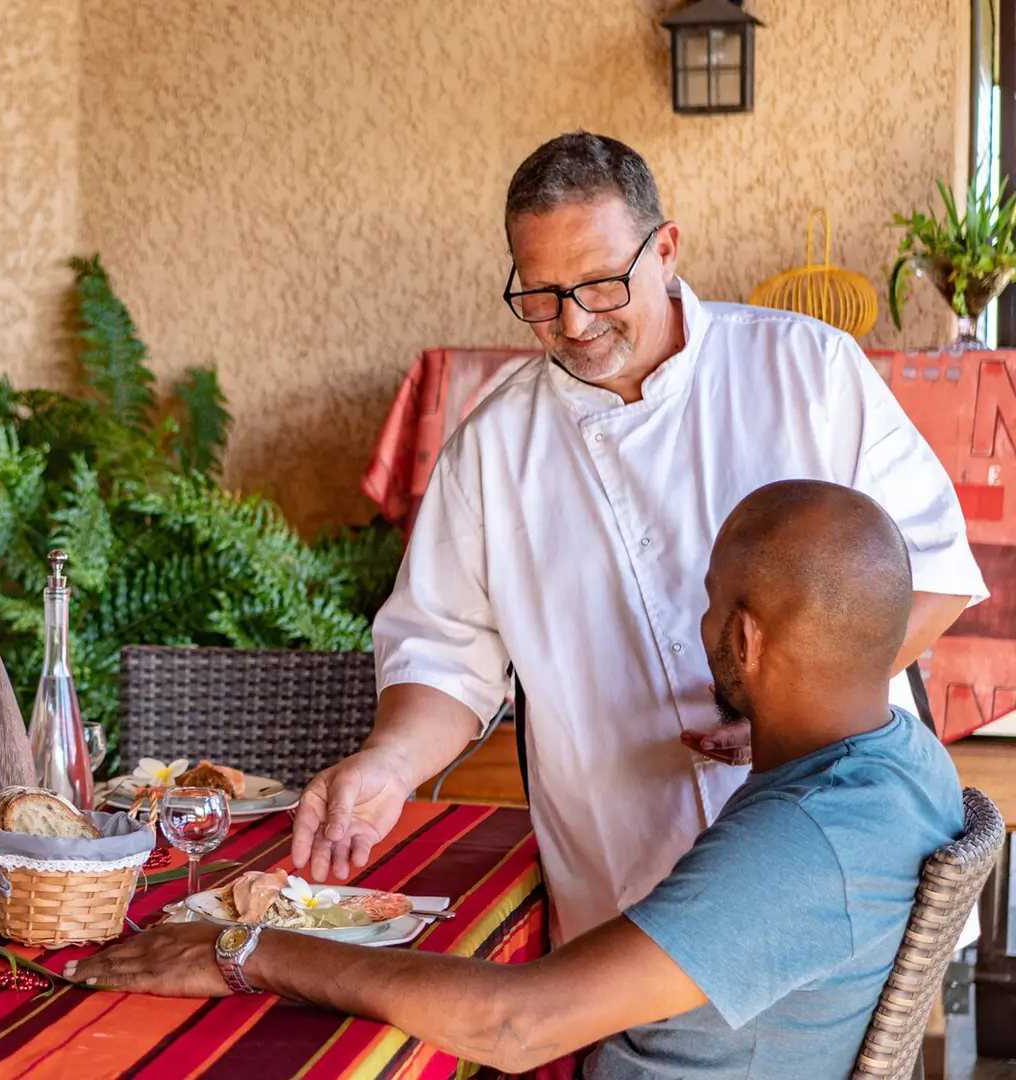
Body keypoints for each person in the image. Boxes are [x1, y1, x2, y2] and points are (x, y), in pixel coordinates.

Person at [292, 131, 985, 942]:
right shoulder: (491, 447)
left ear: (665, 249)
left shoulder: (807, 369)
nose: (574, 321)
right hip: (624, 873)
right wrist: (393, 762)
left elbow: (934, 571)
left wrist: (797, 713)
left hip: (834, 843)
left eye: (599, 283)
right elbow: (443, 652)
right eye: (541, 295)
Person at [74, 480, 966, 1078]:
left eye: (706, 600)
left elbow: (517, 1026)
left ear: (745, 639)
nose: (696, 622)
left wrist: (247, 953)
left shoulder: (805, 842)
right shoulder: (905, 762)